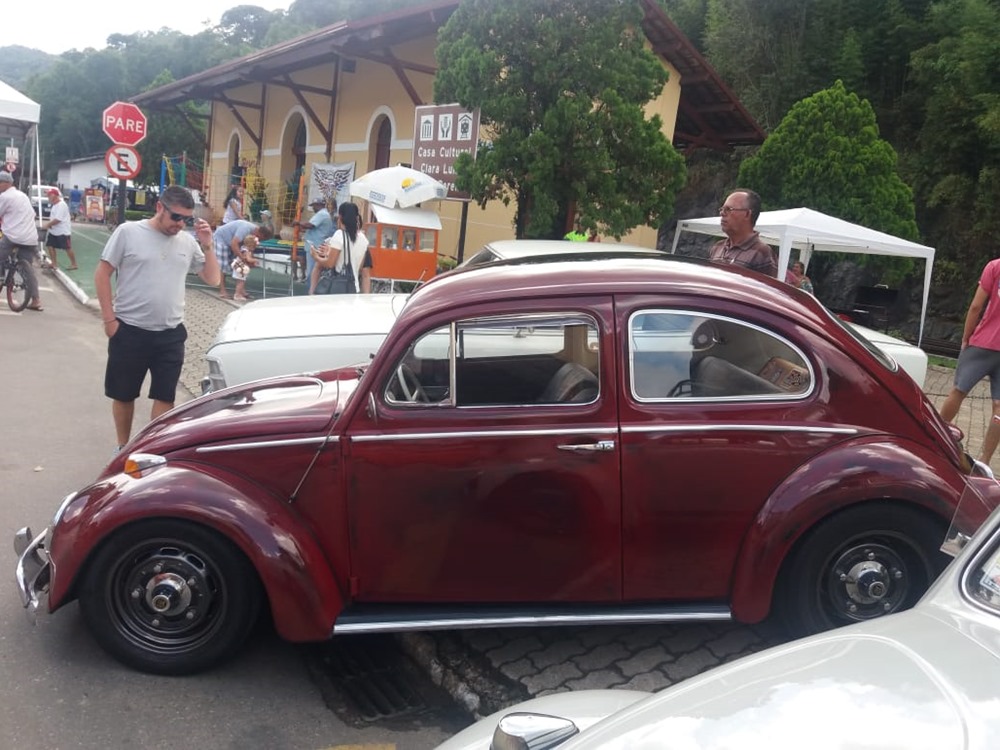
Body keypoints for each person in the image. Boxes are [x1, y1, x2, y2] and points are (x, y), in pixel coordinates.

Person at [94, 185, 220, 452]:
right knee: (124, 393)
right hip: (129, 330)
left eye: (186, 219)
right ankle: (122, 446)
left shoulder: (187, 242)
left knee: (165, 395)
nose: (179, 225)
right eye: (176, 217)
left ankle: (153, 450)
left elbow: (213, 278)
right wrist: (109, 321)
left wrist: (207, 245)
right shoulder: (128, 232)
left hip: (170, 333)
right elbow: (102, 273)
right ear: (159, 207)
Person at [939, 258, 1000, 465]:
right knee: (999, 408)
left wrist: (966, 337)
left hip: (983, 343)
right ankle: (985, 460)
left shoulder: (995, 267)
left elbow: (976, 307)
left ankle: (937, 439)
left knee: (958, 391)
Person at [0, 171, 44, 311]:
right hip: (30, 237)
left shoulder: (5, 196)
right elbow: (33, 214)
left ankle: (1, 277)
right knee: (28, 269)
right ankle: (36, 300)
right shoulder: (23, 196)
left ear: (6, 183)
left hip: (13, 236)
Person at [709, 189, 778, 277]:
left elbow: (767, 290)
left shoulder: (762, 253)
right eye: (722, 209)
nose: (722, 213)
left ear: (747, 214)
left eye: (728, 209)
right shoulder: (717, 247)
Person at [311, 201, 372, 294]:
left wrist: (315, 256)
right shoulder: (363, 239)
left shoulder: (339, 235)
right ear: (356, 218)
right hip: (353, 289)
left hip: (337, 289)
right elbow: (359, 268)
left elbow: (330, 264)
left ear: (340, 217)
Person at [213, 219, 273, 298]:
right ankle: (222, 290)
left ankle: (240, 290)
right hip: (221, 239)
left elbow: (247, 248)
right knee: (222, 266)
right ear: (260, 234)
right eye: (261, 239)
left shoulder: (253, 234)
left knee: (239, 269)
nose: (259, 241)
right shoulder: (245, 229)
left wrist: (247, 258)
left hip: (232, 242)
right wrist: (243, 258)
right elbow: (234, 243)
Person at [297, 197, 335, 292]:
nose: (313, 208)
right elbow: (311, 228)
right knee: (314, 270)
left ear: (319, 205)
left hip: (315, 247)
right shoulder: (322, 214)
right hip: (316, 246)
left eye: (314, 206)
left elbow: (310, 225)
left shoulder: (322, 214)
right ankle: (313, 290)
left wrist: (298, 223)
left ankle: (312, 291)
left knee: (312, 271)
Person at [43, 188, 77, 270]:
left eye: (49, 195)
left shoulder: (62, 205)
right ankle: (54, 263)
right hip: (54, 230)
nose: (48, 197)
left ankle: (74, 264)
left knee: (67, 248)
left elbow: (58, 219)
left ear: (54, 195)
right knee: (50, 245)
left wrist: (48, 224)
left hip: (63, 231)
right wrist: (50, 225)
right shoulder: (54, 205)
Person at [231, 234, 259, 302]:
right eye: (254, 247)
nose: (254, 249)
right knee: (241, 281)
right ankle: (237, 294)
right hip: (241, 267)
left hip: (238, 265)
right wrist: (255, 260)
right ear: (250, 245)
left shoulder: (243, 248)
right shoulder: (246, 251)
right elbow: (248, 259)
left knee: (241, 280)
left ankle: (242, 292)